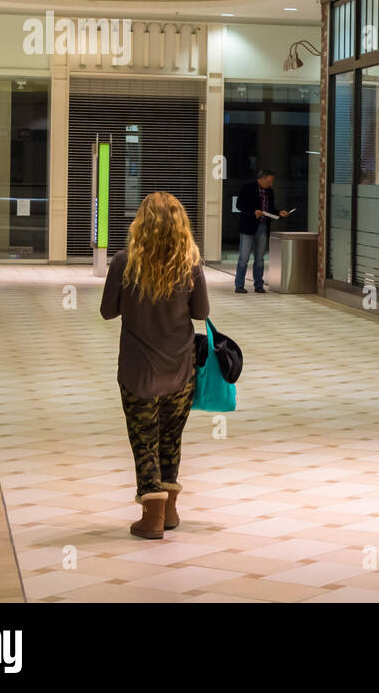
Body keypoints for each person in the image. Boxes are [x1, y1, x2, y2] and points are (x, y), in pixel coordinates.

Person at [100, 191, 209, 539]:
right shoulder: (190, 262)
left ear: (141, 223)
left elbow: (107, 311)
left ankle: (152, 517)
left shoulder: (123, 261)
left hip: (137, 370)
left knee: (143, 439)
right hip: (180, 368)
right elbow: (202, 313)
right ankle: (171, 510)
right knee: (170, 438)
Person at [235, 170, 288, 293]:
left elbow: (270, 209)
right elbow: (239, 205)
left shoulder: (270, 191)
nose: (271, 184)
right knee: (244, 257)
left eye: (272, 181)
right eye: (269, 181)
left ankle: (259, 285)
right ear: (261, 179)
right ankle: (239, 285)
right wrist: (253, 212)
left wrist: (279, 213)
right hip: (248, 226)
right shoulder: (248, 188)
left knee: (259, 257)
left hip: (263, 226)